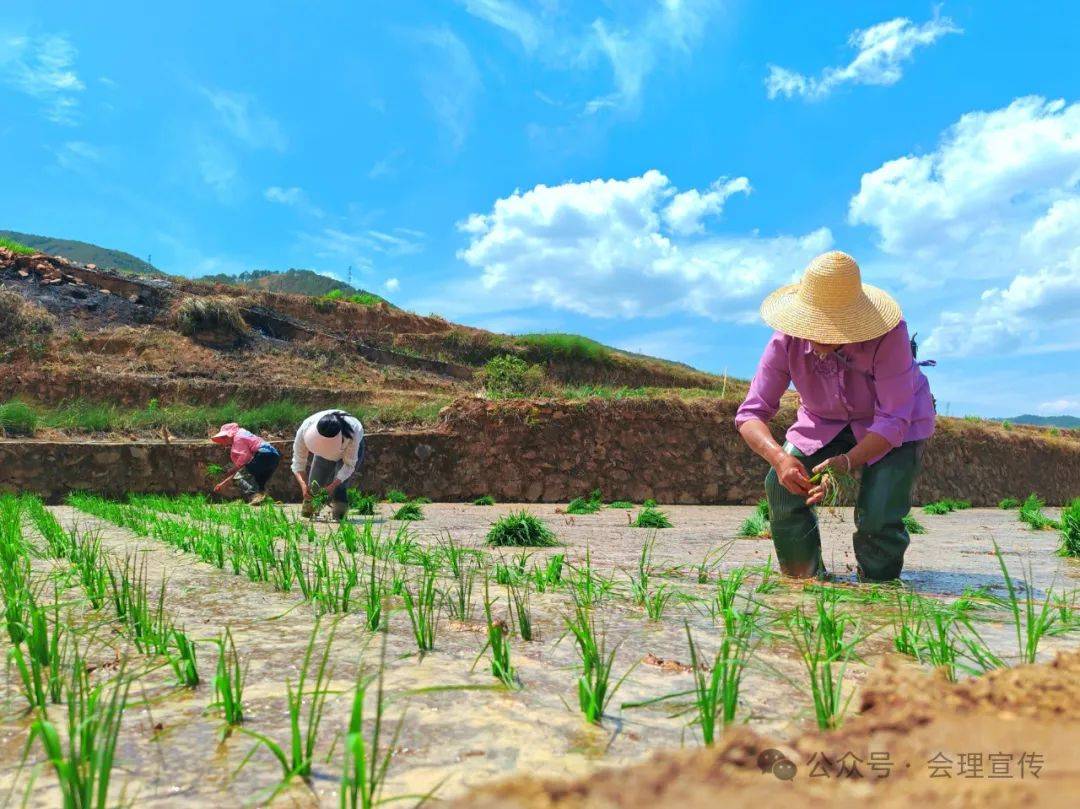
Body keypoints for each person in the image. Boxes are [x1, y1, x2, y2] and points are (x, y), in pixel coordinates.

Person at [735, 250, 935, 582]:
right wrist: (779, 460)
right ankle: (804, 583)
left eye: (834, 326)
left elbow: (893, 420)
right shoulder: (786, 342)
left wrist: (845, 464)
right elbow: (750, 413)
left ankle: (879, 591)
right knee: (781, 486)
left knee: (879, 513)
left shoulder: (889, 334)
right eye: (816, 323)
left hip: (894, 425)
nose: (822, 333)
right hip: (823, 423)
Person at [291, 409, 365, 520]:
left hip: (348, 453)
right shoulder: (305, 428)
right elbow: (298, 463)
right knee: (314, 485)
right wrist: (304, 486)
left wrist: (332, 486)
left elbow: (348, 466)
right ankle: (309, 512)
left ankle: (340, 515)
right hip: (322, 454)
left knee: (339, 487)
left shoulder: (353, 433)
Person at [210, 423, 281, 505]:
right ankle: (267, 500)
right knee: (258, 482)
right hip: (274, 456)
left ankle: (255, 496)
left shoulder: (237, 439)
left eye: (224, 437)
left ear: (230, 434)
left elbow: (243, 463)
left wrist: (232, 470)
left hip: (263, 455)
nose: (224, 441)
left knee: (238, 476)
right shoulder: (243, 433)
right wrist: (222, 483)